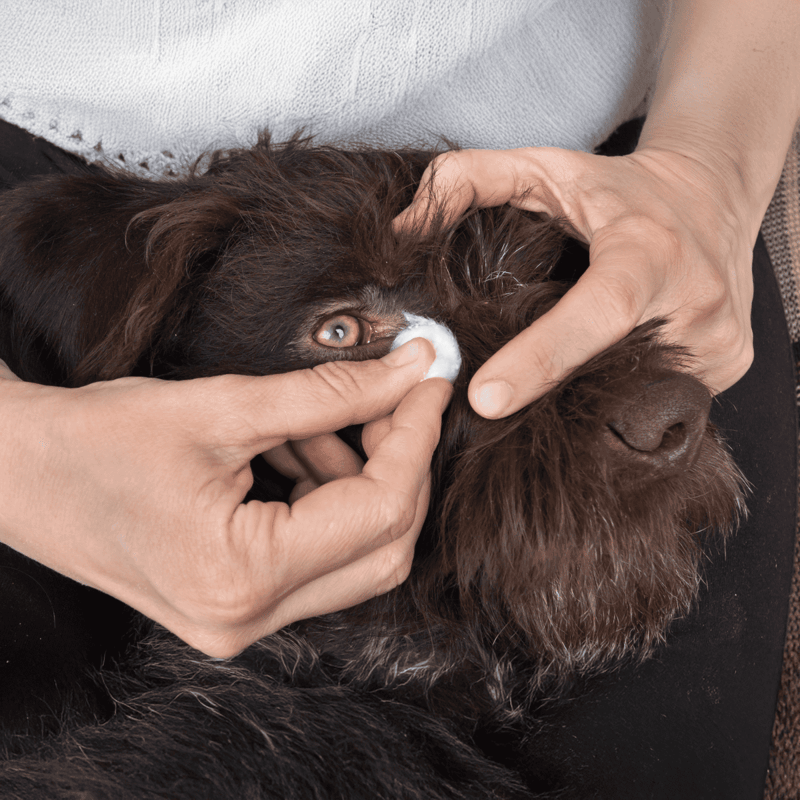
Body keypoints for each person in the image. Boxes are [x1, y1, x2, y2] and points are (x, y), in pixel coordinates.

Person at [0, 0, 797, 667]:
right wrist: (22, 451)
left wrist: (706, 176)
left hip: (616, 161)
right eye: (349, 330)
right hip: (60, 166)